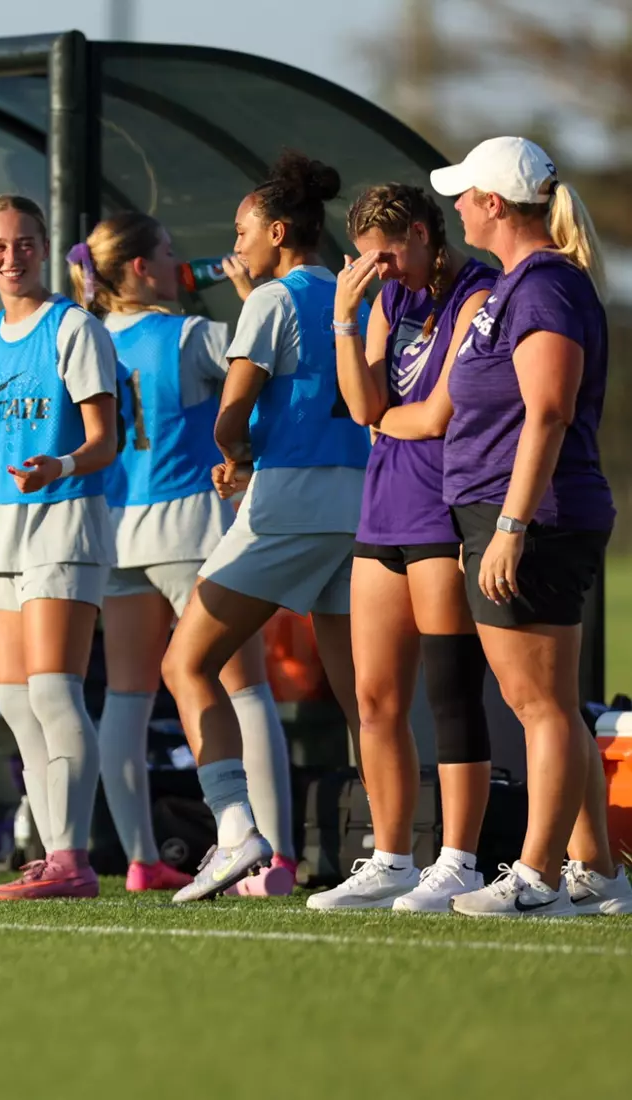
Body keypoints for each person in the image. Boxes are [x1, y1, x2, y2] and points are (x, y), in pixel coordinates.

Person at [425, 138, 630, 917]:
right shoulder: (523, 284)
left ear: (494, 204)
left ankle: (537, 876)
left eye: (465, 194)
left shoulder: (544, 287)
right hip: (509, 512)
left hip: (534, 518)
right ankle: (597, 870)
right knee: (546, 702)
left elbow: (548, 411)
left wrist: (510, 525)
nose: (457, 207)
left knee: (538, 704)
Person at [162, 152, 367, 904]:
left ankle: (234, 829)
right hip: (361, 502)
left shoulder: (271, 299)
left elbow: (231, 414)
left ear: (278, 232)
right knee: (364, 700)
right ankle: (395, 855)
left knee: (186, 665)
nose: (235, 244)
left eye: (242, 230)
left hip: (291, 506)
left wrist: (236, 455)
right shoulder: (351, 294)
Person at [82, 215, 299, 897]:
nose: (182, 263)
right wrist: (250, 299)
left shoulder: (89, 336)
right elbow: (263, 372)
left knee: (127, 697)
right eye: (169, 251)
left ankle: (140, 857)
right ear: (141, 268)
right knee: (244, 686)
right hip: (191, 526)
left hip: (118, 527)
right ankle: (276, 857)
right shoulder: (191, 334)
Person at [310, 184, 498, 911]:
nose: (378, 270)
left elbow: (439, 414)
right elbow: (364, 406)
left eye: (385, 255)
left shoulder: (476, 292)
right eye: (366, 259)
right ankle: (390, 857)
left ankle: (460, 861)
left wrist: (391, 417)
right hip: (383, 511)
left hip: (445, 512)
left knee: (450, 693)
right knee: (374, 697)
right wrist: (344, 319)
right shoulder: (388, 298)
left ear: (422, 233)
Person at [0, 195, 117, 901]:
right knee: (16, 703)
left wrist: (61, 466)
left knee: (53, 691)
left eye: (23, 244)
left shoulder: (74, 328)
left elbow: (104, 442)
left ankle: (73, 860)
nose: (10, 257)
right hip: (6, 540)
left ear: (44, 249)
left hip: (67, 523)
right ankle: (52, 857)